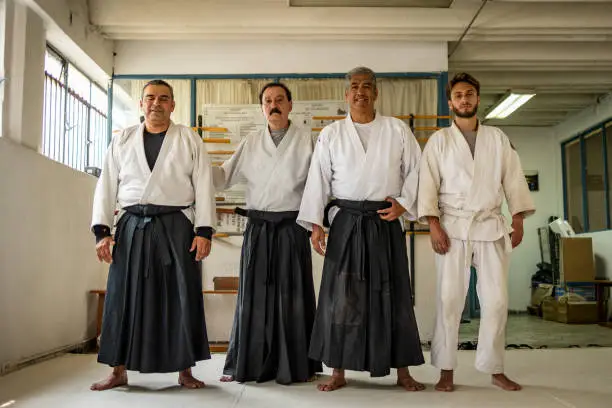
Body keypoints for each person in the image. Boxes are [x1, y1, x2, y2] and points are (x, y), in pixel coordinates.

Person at [297, 66, 425, 392]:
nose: (361, 92)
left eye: (367, 86)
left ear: (376, 93)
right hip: (347, 224)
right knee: (342, 298)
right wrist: (315, 225)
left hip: (384, 221)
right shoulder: (331, 134)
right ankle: (338, 370)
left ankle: (403, 370)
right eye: (354, 86)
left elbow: (416, 172)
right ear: (346, 94)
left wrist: (404, 204)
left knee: (394, 295)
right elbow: (319, 181)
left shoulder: (397, 130)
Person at [90, 79, 216, 390]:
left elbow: (203, 184)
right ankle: (118, 370)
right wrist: (102, 231)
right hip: (131, 225)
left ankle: (184, 369)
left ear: (173, 105)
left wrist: (203, 231)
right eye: (149, 98)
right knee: (122, 296)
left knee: (181, 295)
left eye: (163, 98)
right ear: (141, 104)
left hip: (176, 226)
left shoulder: (188, 139)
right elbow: (106, 184)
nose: (156, 103)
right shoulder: (123, 139)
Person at [418, 72, 536, 392]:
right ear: (450, 101)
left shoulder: (497, 138)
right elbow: (428, 184)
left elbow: (513, 179)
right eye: (458, 95)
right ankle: (445, 370)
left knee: (496, 301)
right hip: (452, 227)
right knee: (449, 300)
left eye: (469, 94)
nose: (464, 99)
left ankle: (494, 368)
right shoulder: (439, 141)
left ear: (478, 98)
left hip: (490, 225)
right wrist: (433, 224)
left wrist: (519, 220)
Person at [214, 82, 321, 385]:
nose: (273, 105)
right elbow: (223, 177)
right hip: (259, 228)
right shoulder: (250, 142)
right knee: (254, 297)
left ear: (290, 104)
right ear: (261, 107)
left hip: (292, 227)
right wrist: (195, 166)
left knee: (293, 297)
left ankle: (298, 365)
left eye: (279, 100)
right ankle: (246, 363)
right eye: (267, 101)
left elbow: (318, 187)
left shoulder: (307, 142)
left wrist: (317, 225)